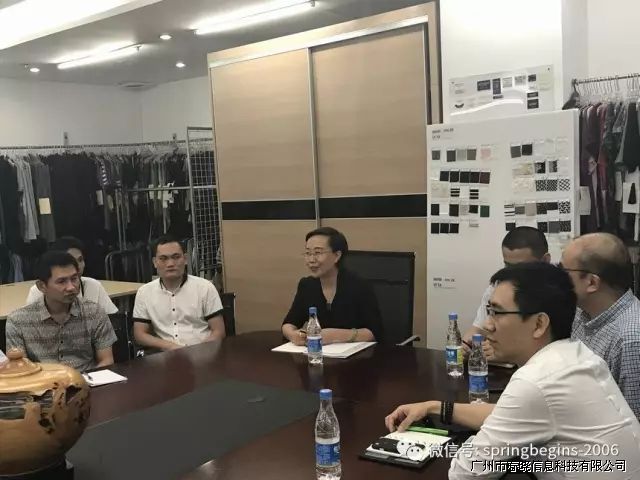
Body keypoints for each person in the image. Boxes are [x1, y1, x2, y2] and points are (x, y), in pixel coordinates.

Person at [385, 263, 640, 479]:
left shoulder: (536, 381)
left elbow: (465, 472)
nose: (487, 325)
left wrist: (479, 443)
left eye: (496, 312)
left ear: (539, 324)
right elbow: (510, 415)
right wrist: (435, 407)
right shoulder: (576, 355)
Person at [561, 232, 640, 419]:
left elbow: (632, 423)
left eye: (564, 273)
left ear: (592, 282)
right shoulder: (582, 313)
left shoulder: (630, 339)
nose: (558, 280)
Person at [6, 251, 117, 372]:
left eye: (74, 279)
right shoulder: (18, 321)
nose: (71, 287)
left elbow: (107, 360)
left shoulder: (94, 312)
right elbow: (20, 371)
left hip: (88, 380)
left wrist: (81, 380)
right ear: (42, 286)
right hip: (42, 382)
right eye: (61, 281)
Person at [281, 227, 384, 346]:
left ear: (337, 256)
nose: (311, 260)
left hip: (356, 355)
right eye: (308, 253)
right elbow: (289, 323)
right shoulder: (307, 285)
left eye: (318, 253)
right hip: (318, 353)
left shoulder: (359, 285)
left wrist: (335, 336)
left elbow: (374, 332)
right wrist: (293, 335)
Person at [462, 226, 550, 359]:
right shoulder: (497, 288)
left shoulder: (560, 292)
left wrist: (504, 352)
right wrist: (467, 346)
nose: (513, 274)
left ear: (545, 261)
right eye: (508, 266)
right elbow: (478, 329)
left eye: (522, 267)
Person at [133, 235, 225, 352]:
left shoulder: (205, 287)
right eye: (163, 258)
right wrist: (170, 347)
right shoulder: (144, 292)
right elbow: (140, 334)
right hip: (165, 355)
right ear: (155, 262)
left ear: (185, 259)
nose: (170, 263)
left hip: (203, 353)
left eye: (176, 257)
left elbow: (219, 331)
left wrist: (197, 352)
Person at [26, 236, 118, 315]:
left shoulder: (94, 286)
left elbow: (112, 319)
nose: (77, 266)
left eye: (80, 260)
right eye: (71, 261)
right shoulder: (37, 291)